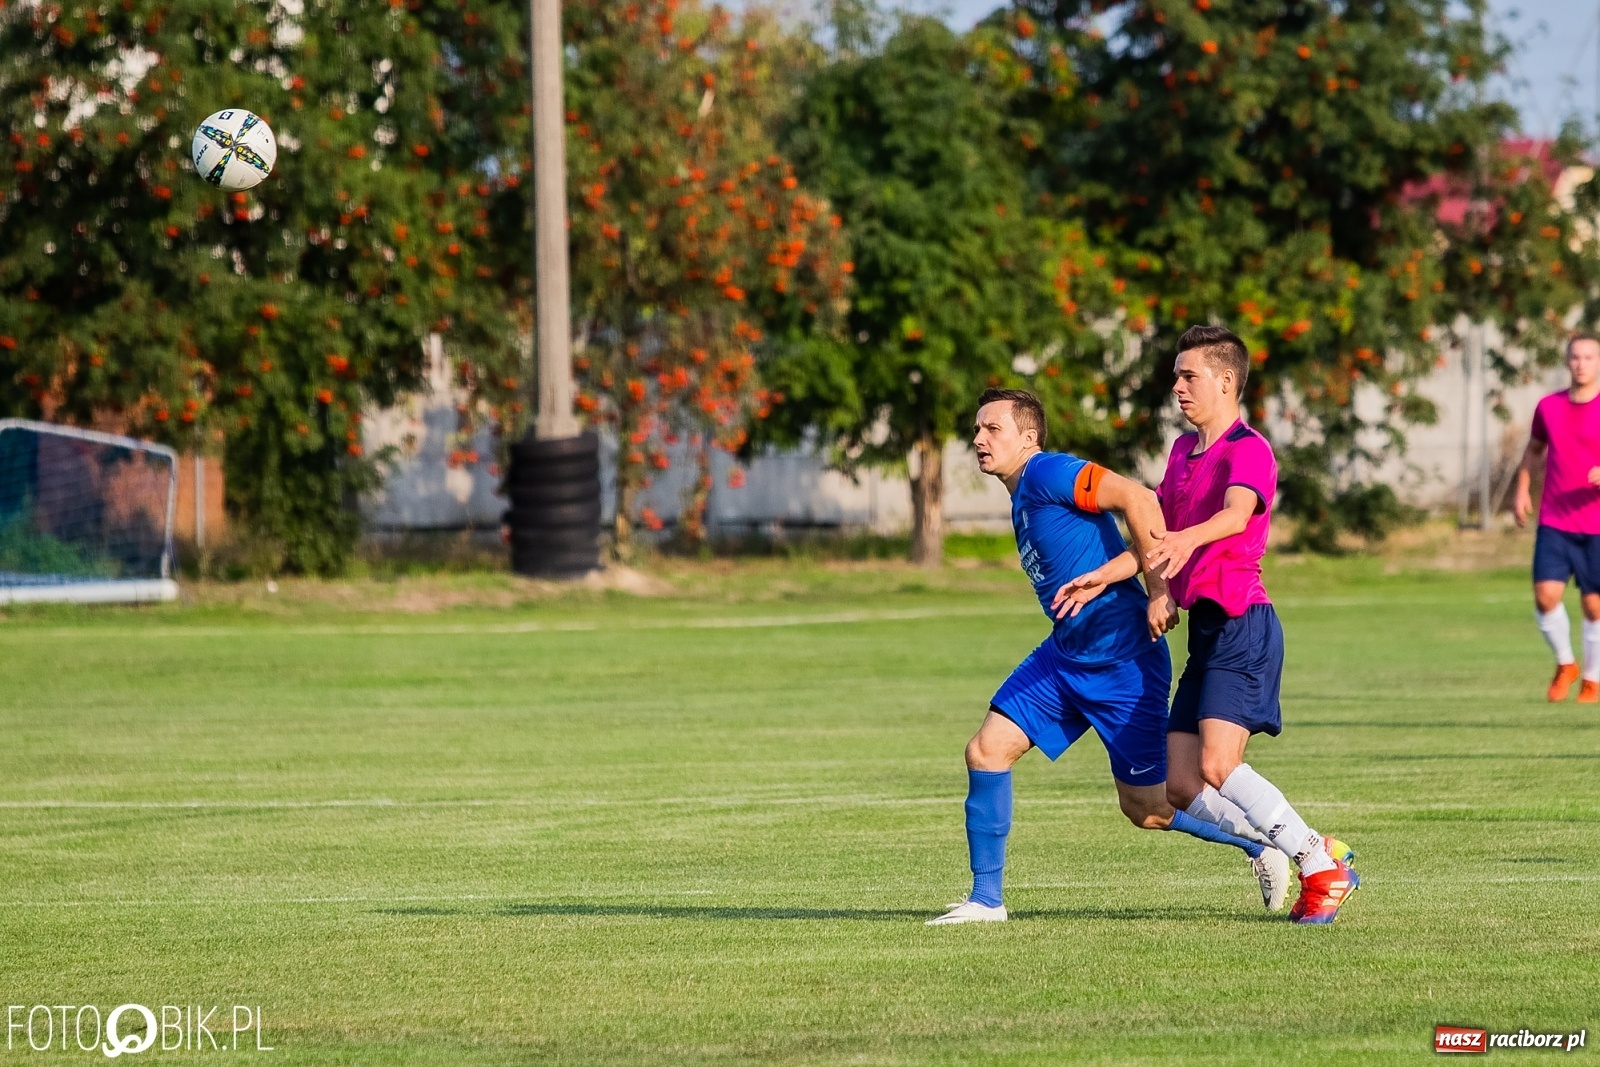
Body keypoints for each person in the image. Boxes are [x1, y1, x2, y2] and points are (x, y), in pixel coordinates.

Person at [928, 387, 1277, 926]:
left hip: (1123, 661)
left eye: (992, 429)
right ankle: (986, 901)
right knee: (985, 750)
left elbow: (1140, 498)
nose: (979, 439)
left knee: (1150, 808)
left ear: (1029, 437)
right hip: (1065, 656)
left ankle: (1264, 845)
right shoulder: (1021, 491)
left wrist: (1160, 590)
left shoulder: (1049, 473)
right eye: (976, 429)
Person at [1059, 326, 1357, 924]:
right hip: (1207, 635)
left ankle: (1319, 862)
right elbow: (1157, 534)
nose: (1177, 387)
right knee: (1178, 782)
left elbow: (1235, 514)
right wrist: (1108, 575)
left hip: (1244, 622)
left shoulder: (1250, 449)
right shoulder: (1179, 455)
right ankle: (1303, 847)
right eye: (1175, 376)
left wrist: (1186, 541)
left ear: (1226, 381)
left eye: (1187, 375)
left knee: (1219, 766)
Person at [1513, 332, 1600, 703]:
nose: (1581, 364)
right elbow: (1534, 450)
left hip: (1596, 525)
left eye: (1589, 357)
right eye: (1575, 357)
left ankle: (1593, 678)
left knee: (1593, 605)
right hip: (1555, 520)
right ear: (1567, 361)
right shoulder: (1548, 406)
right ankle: (1566, 663)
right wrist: (1521, 488)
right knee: (1545, 596)